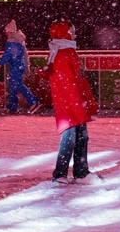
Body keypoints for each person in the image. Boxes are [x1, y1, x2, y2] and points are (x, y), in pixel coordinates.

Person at [42, 19, 98, 184]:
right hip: (69, 107)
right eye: (72, 32)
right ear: (63, 33)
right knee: (70, 139)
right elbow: (69, 86)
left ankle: (80, 172)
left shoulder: (68, 52)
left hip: (75, 105)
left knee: (81, 138)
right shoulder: (62, 55)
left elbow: (80, 81)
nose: (75, 34)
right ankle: (61, 173)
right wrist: (80, 108)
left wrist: (87, 103)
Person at [0, 20, 40, 114]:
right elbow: (25, 54)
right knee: (13, 85)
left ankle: (33, 102)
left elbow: (7, 55)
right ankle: (12, 107)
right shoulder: (19, 41)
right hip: (19, 65)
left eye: (6, 31)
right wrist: (27, 66)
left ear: (10, 31)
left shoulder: (12, 42)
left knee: (18, 85)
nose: (5, 33)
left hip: (16, 66)